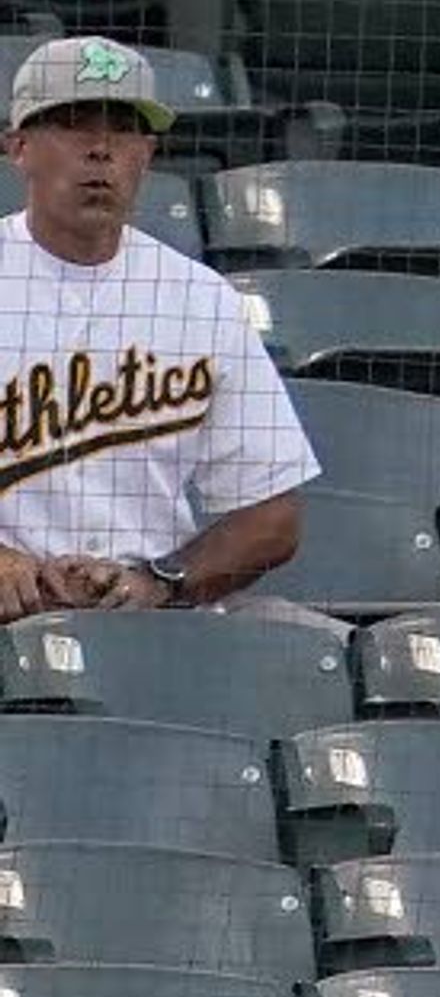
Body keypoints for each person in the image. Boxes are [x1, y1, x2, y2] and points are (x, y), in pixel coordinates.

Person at [0, 35, 311, 618]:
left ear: (147, 151)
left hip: (147, 628)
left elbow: (274, 514)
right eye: (74, 125)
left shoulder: (200, 299)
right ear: (18, 147)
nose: (100, 150)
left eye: (123, 129)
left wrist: (163, 580)